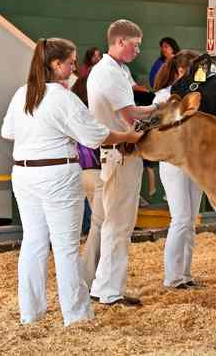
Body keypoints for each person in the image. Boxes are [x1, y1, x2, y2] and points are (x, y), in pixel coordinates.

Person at [1, 37, 142, 326]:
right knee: (65, 246)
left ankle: (31, 313)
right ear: (55, 64)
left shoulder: (22, 94)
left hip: (24, 174)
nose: (74, 66)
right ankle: (75, 316)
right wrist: (128, 136)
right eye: (70, 62)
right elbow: (97, 136)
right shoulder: (62, 97)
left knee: (33, 243)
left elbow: (8, 132)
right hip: (56, 173)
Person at [87, 19, 159, 307]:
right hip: (121, 152)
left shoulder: (116, 70)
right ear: (119, 42)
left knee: (112, 222)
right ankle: (109, 292)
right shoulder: (109, 73)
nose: (138, 50)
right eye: (135, 45)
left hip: (116, 152)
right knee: (119, 224)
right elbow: (131, 116)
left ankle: (102, 285)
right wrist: (160, 107)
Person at [152, 50, 204, 289]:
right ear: (180, 71)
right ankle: (172, 277)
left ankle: (185, 274)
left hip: (194, 160)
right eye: (192, 70)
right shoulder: (163, 96)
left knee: (190, 219)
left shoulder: (198, 94)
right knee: (181, 218)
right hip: (173, 161)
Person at [70, 76, 105, 287]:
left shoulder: (75, 112)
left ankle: (92, 274)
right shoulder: (93, 114)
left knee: (97, 224)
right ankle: (88, 275)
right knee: (101, 225)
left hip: (80, 171)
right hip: (95, 170)